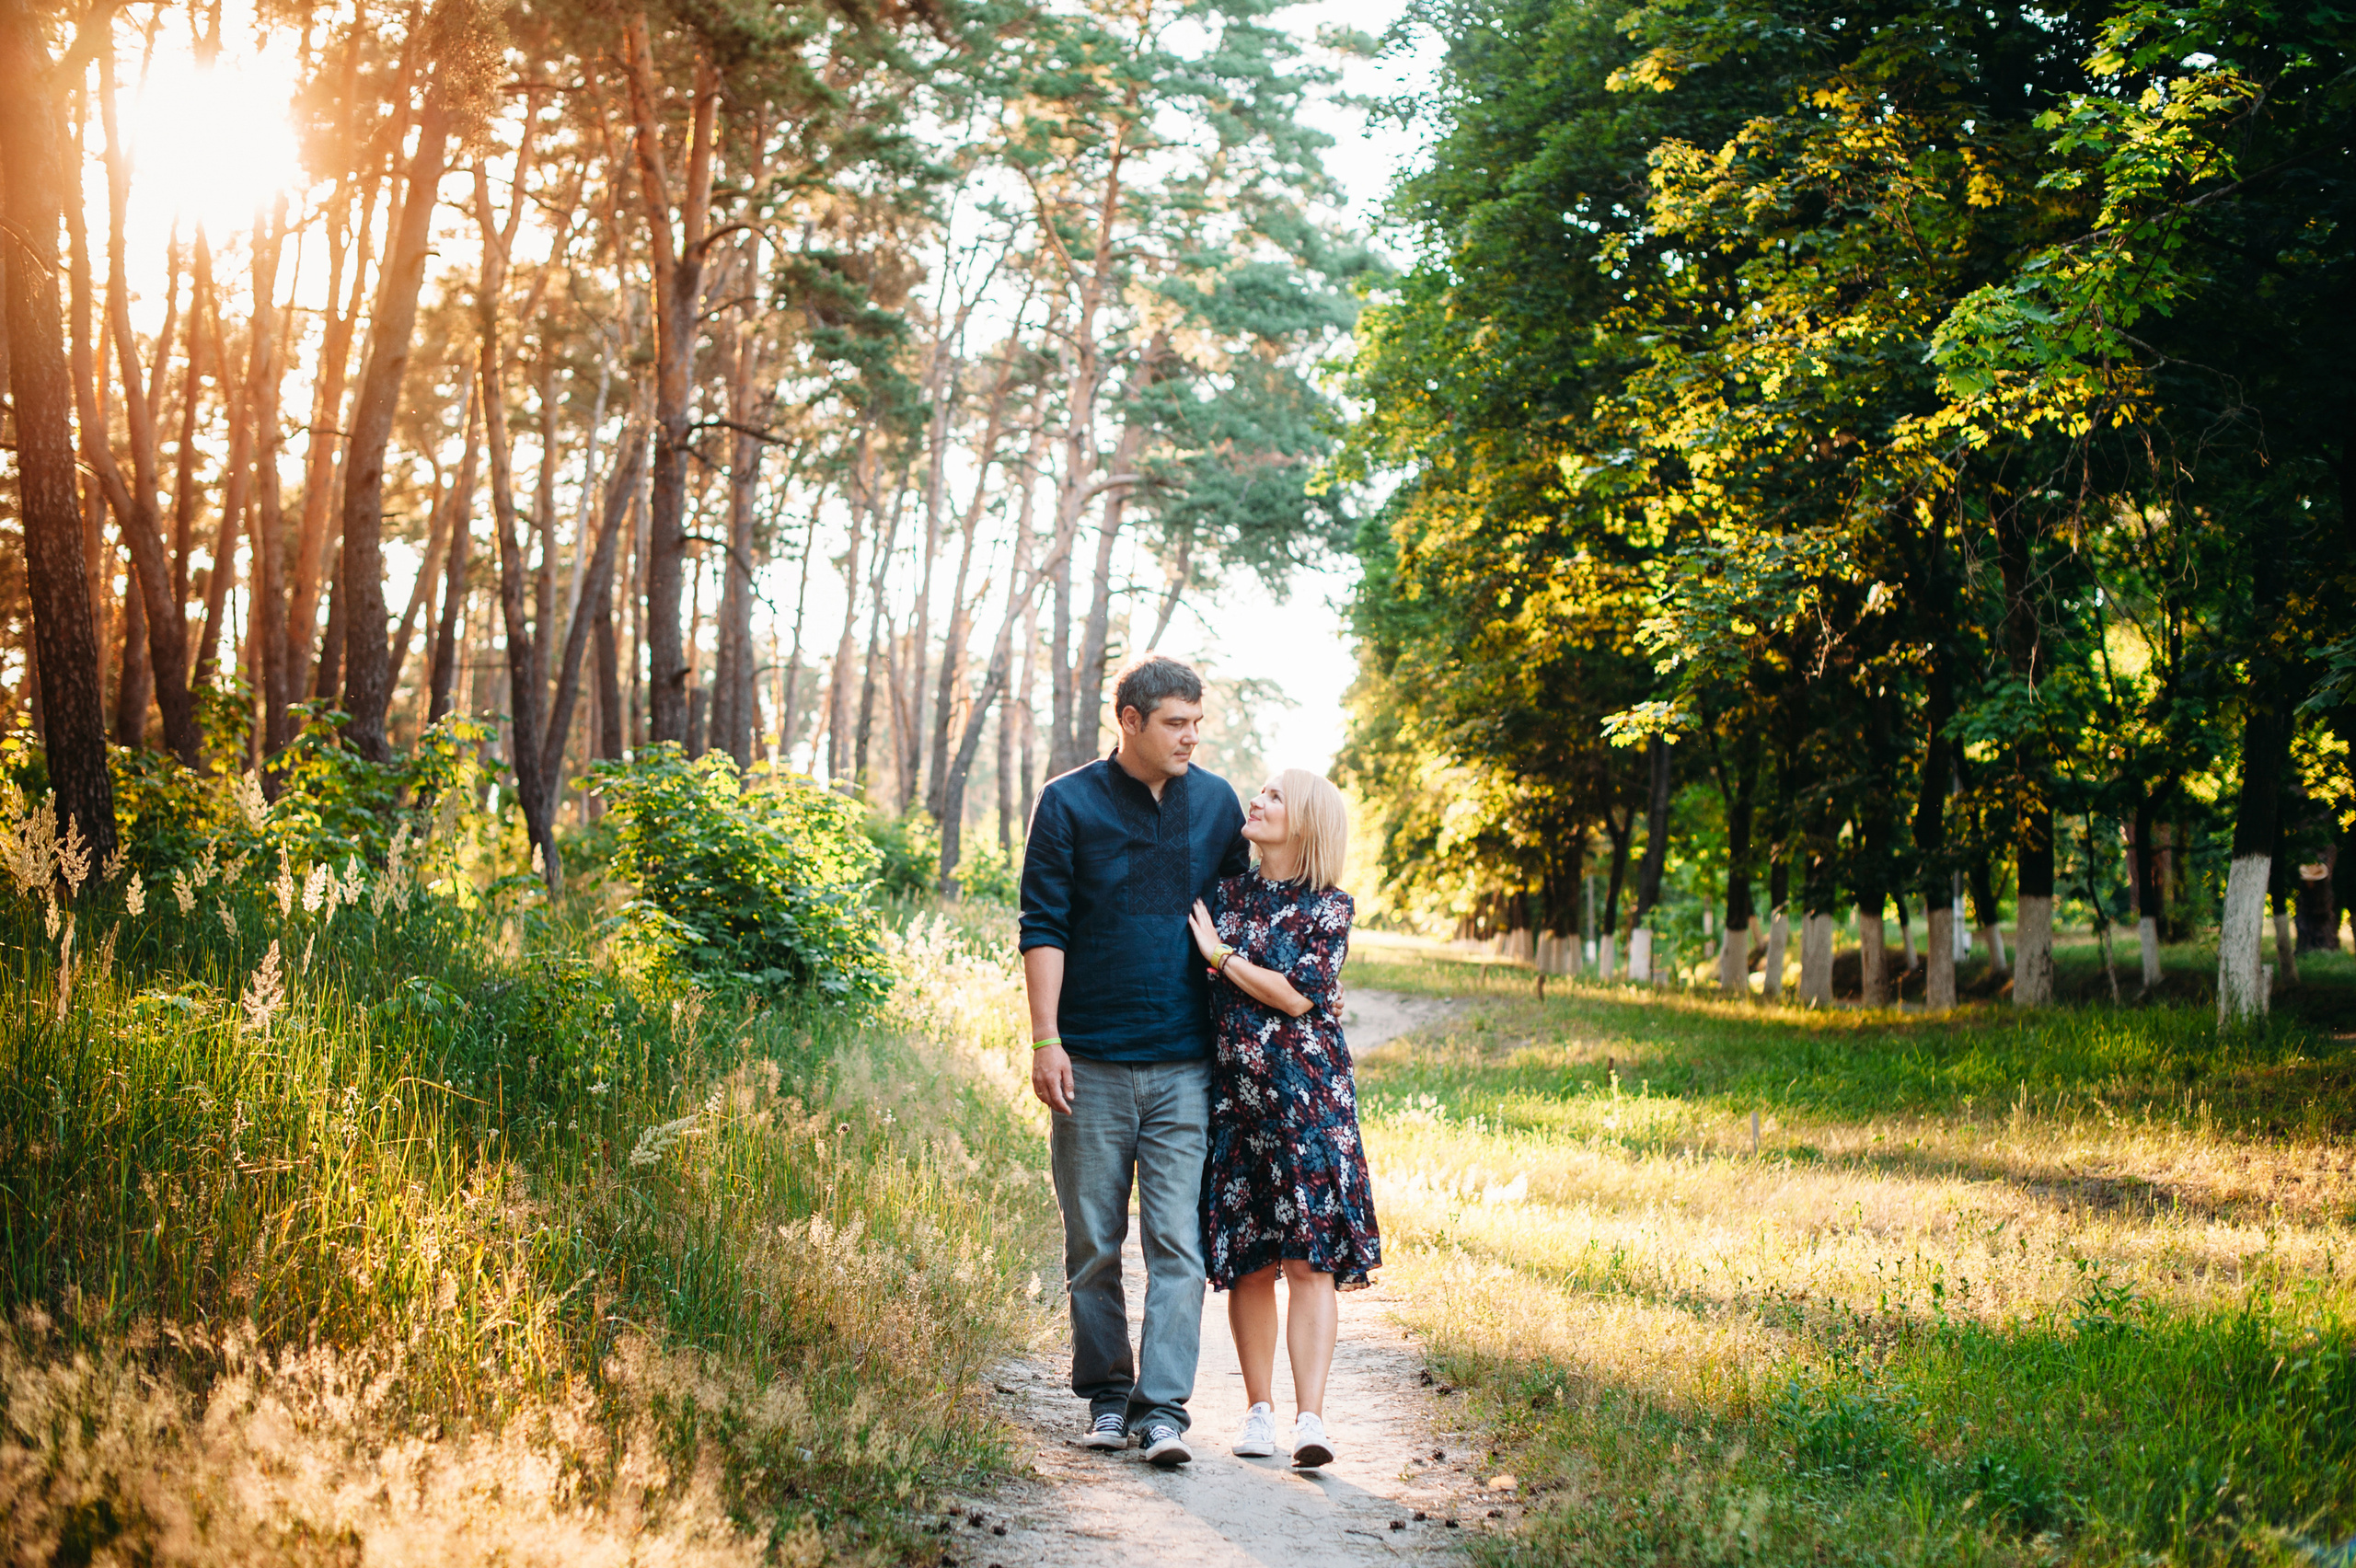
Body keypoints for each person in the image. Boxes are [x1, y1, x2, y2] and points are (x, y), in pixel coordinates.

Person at [1019, 654, 1249, 1469]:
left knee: (1178, 1245)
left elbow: (1239, 919)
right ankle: (1108, 1397)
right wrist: (1046, 1039)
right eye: (1176, 724)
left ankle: (1163, 1412)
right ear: (1130, 720)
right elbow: (1043, 925)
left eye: (1197, 722)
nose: (1192, 736)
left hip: (1187, 1064)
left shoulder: (1215, 804)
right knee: (1091, 1243)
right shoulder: (1068, 802)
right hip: (1091, 1063)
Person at [1186, 767, 1380, 1470]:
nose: (1257, 802)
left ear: (1304, 822)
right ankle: (1258, 1413)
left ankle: (1311, 1420)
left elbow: (1296, 996)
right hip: (1237, 1101)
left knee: (1308, 1261)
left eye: (1273, 797)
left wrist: (1220, 956)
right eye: (1258, 792)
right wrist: (1225, 958)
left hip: (1309, 1102)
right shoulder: (1224, 895)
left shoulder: (1330, 906)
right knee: (1248, 1264)